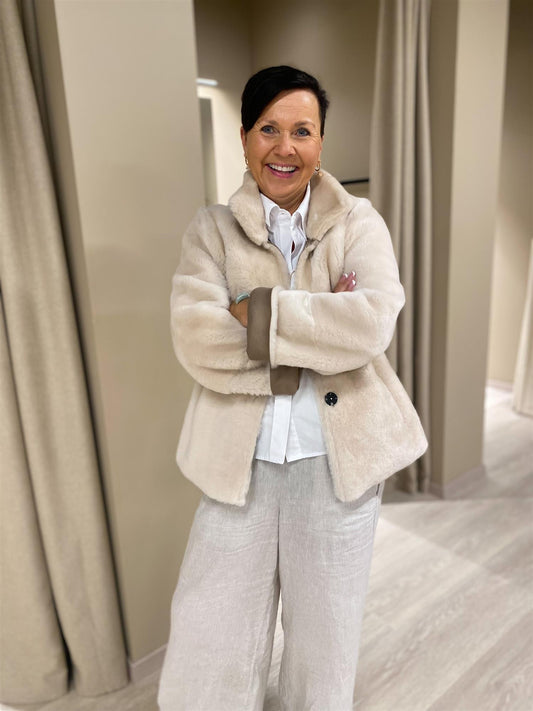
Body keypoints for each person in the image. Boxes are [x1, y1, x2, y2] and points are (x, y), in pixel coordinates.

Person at [158, 65, 427, 711]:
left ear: (321, 140)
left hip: (336, 464)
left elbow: (371, 323)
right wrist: (318, 326)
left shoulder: (359, 222)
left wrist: (254, 310)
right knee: (210, 628)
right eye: (268, 129)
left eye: (302, 130)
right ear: (244, 137)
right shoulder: (210, 230)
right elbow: (196, 337)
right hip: (237, 463)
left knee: (324, 636)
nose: (285, 147)